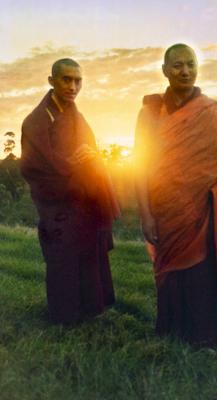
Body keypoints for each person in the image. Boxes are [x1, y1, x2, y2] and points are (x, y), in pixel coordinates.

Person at [135, 44, 217, 348]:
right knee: (170, 273)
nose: (185, 71)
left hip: (205, 211)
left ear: (198, 68)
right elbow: (140, 165)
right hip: (166, 209)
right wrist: (146, 215)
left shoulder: (212, 110)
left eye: (190, 64)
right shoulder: (149, 114)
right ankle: (170, 334)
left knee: (203, 275)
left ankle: (206, 338)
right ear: (164, 70)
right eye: (177, 65)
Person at [21, 58, 120, 324]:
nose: (73, 86)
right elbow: (33, 168)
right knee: (63, 259)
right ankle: (64, 317)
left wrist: (92, 158)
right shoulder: (35, 122)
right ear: (51, 81)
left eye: (78, 80)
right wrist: (69, 165)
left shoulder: (77, 117)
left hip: (84, 200)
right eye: (66, 79)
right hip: (58, 205)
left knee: (89, 255)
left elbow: (92, 153)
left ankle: (91, 309)